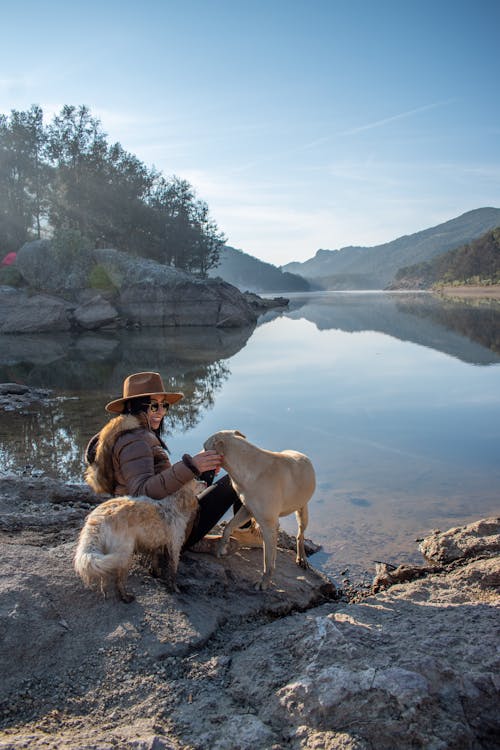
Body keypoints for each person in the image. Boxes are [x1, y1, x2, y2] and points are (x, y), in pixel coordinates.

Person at [84, 371, 260, 550]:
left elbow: (157, 481)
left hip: (163, 514)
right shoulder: (135, 441)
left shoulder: (134, 434)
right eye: (154, 406)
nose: (161, 412)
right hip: (165, 531)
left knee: (210, 456)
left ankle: (239, 529)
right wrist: (191, 466)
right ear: (134, 406)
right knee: (241, 476)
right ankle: (244, 532)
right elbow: (141, 493)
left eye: (164, 405)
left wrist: (197, 465)